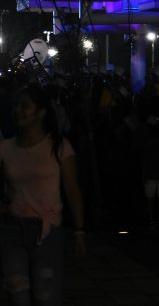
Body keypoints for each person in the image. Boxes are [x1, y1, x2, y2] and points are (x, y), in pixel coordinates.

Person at [0, 85, 86, 305]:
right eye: (16, 106)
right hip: (12, 230)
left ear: (41, 113)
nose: (18, 111)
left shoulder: (59, 147)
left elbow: (72, 190)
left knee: (45, 296)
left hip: (47, 232)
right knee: (17, 296)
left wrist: (79, 231)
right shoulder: (5, 148)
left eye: (25, 106)